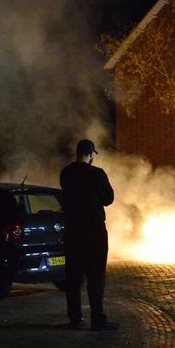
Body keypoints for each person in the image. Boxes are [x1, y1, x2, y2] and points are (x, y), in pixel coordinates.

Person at [60, 138, 118, 330]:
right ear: (91, 155)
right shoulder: (97, 174)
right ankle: (97, 319)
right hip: (94, 232)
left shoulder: (66, 173)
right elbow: (109, 199)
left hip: (73, 231)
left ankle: (75, 318)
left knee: (73, 277)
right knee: (96, 276)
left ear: (77, 153)